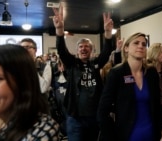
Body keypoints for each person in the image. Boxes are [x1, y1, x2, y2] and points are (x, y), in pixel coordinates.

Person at [52, 5, 114, 141]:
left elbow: (107, 51)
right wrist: (59, 30)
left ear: (91, 49)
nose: (83, 48)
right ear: (77, 50)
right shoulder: (72, 64)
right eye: (81, 46)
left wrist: (108, 34)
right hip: (75, 117)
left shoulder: (96, 63)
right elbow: (61, 50)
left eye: (87, 46)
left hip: (94, 115)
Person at [98, 32, 162, 141]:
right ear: (126, 48)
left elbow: (157, 106)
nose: (141, 46)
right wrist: (111, 135)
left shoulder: (151, 73)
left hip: (152, 134)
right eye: (136, 43)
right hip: (127, 135)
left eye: (144, 44)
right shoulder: (116, 73)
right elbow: (103, 111)